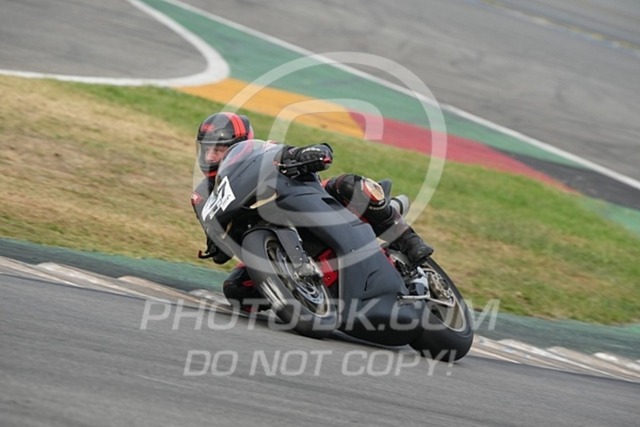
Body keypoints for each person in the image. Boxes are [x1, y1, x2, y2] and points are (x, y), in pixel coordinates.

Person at [191, 112, 433, 309]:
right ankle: (300, 300)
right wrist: (215, 245)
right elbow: (219, 250)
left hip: (306, 206)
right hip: (265, 242)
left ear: (240, 146)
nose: (210, 156)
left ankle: (409, 241)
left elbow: (296, 153)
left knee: (348, 185)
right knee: (236, 289)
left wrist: (310, 154)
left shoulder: (263, 151)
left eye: (219, 150)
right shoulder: (201, 197)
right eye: (206, 149)